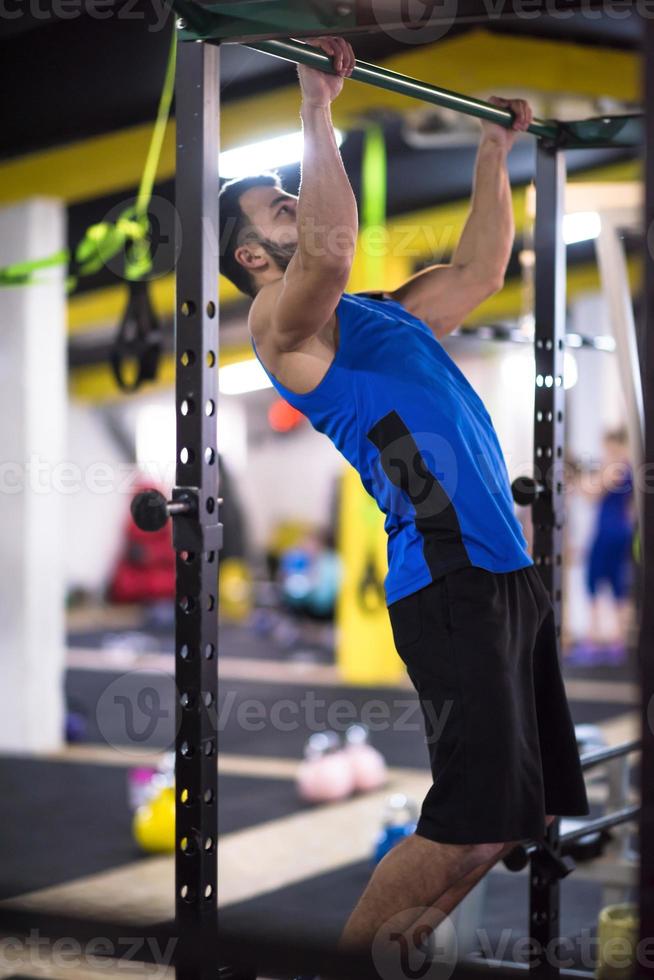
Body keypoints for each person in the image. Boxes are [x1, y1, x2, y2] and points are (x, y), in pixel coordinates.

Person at [218, 35, 589, 967]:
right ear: (253, 255)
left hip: (508, 576)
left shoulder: (386, 311)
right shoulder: (280, 326)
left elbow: (480, 270)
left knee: (515, 819)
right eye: (278, 207)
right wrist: (315, 111)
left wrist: (490, 156)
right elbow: (330, 257)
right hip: (448, 581)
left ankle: (394, 956)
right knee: (464, 824)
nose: (295, 203)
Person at [568, 429, 635, 666]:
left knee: (594, 580)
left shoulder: (616, 466)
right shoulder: (629, 468)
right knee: (617, 584)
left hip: (608, 533)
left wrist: (575, 476)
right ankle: (617, 643)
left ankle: (595, 642)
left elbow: (592, 493)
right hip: (621, 530)